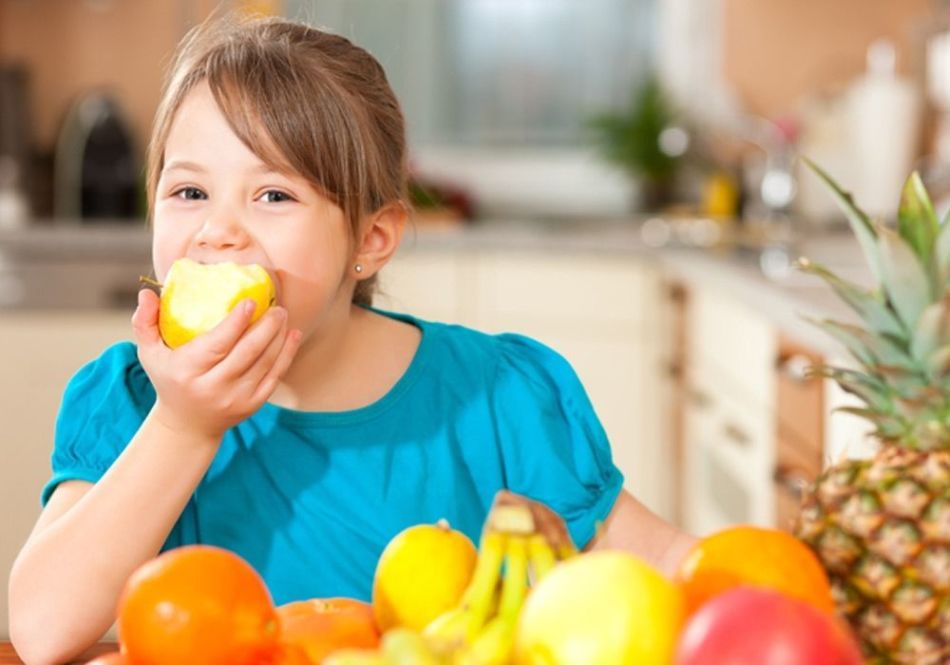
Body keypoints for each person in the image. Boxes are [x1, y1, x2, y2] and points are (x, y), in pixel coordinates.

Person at [8, 14, 695, 664]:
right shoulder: (133, 403)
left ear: (371, 238)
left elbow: (680, 573)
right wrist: (185, 425)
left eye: (273, 196)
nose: (218, 231)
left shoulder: (497, 399)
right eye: (189, 192)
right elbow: (40, 631)